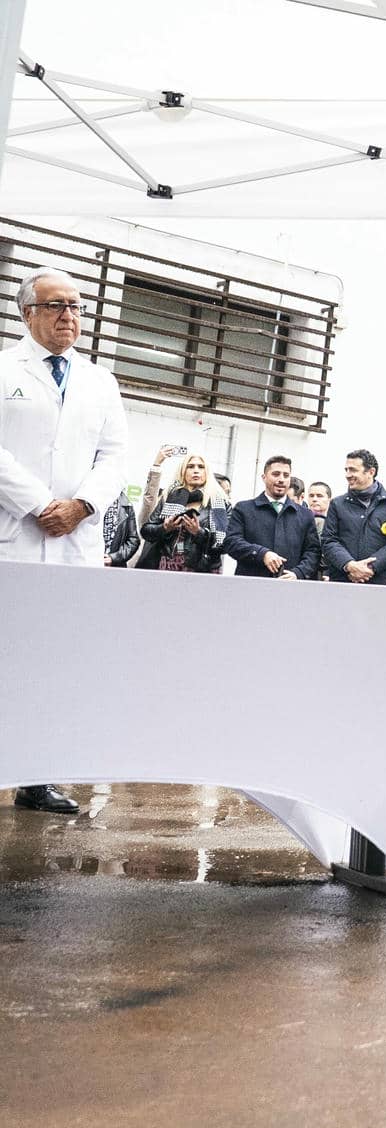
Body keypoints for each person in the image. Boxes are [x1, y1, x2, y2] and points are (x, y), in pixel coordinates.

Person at [0, 265, 131, 814]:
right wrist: (35, 503)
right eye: (55, 306)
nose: (68, 316)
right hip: (14, 530)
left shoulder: (99, 380)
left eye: (75, 306)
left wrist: (81, 506)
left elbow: (116, 453)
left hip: (74, 538)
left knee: (56, 657)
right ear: (27, 312)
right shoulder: (4, 366)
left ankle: (37, 776)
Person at [322, 449, 386, 585]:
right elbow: (329, 540)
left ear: (371, 472)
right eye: (346, 470)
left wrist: (370, 567)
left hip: (380, 582)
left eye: (352, 470)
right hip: (343, 581)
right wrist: (349, 565)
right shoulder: (337, 504)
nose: (347, 475)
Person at [224, 454, 319, 581]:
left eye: (286, 475)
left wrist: (298, 573)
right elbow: (232, 542)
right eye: (276, 474)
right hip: (250, 585)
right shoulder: (244, 509)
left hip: (290, 588)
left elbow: (313, 552)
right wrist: (261, 554)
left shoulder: (305, 514)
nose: (281, 479)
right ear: (264, 477)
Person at [137, 452, 230, 573]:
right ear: (182, 471)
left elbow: (226, 543)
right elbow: (146, 531)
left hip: (202, 569)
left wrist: (199, 533)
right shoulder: (169, 497)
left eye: (201, 467)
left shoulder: (219, 502)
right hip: (167, 565)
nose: (196, 471)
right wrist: (165, 528)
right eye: (190, 466)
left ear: (207, 472)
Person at [102, 488, 138, 567]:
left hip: (114, 568)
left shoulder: (126, 505)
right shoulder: (89, 500)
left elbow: (133, 540)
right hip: (88, 562)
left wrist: (113, 558)